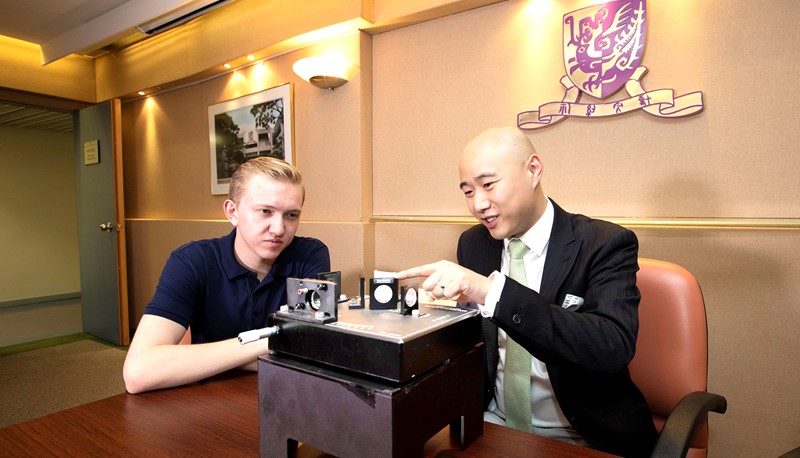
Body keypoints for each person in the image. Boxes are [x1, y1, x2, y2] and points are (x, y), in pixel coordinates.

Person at [396, 127, 657, 457]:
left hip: (582, 433)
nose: (478, 204)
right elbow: (474, 346)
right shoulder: (474, 244)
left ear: (533, 170)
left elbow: (611, 346)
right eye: (467, 191)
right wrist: (432, 318)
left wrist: (493, 292)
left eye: (489, 185)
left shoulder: (604, 243)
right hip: (493, 421)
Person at [123, 157, 330, 394]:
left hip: (284, 394)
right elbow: (138, 372)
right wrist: (271, 342)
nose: (279, 229)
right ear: (232, 212)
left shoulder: (310, 254)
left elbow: (313, 350)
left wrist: (211, 359)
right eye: (265, 211)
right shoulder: (191, 261)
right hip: (205, 400)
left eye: (291, 215)